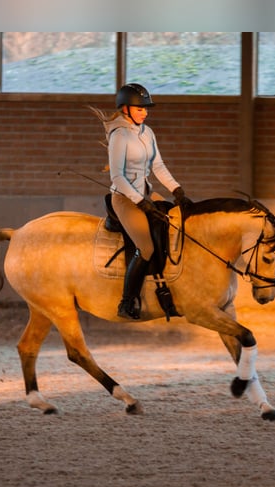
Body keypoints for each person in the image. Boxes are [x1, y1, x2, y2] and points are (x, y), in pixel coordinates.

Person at [93, 83, 192, 320]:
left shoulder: (147, 132)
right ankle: (126, 302)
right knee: (145, 247)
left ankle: (164, 291)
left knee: (173, 227)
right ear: (125, 109)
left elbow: (157, 165)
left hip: (146, 195)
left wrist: (176, 189)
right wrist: (139, 201)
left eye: (146, 109)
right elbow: (117, 176)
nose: (145, 112)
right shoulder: (119, 135)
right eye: (140, 109)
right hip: (125, 199)